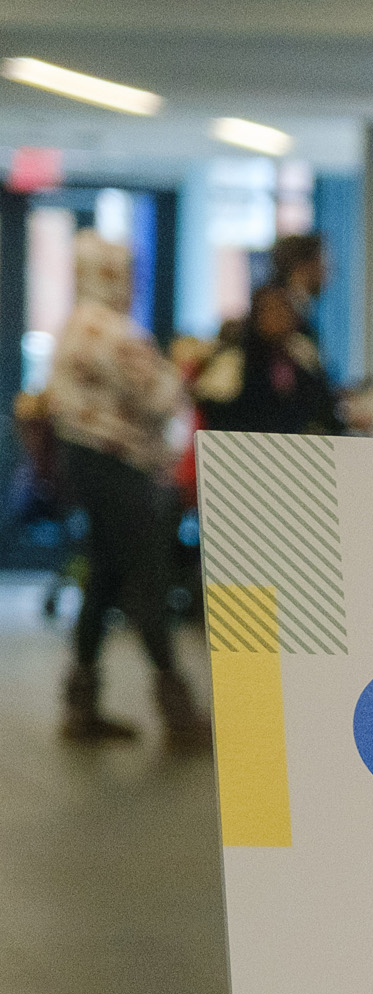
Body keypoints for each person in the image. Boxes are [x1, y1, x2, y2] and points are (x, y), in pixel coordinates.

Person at [44, 232, 208, 748]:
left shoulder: (73, 326)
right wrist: (184, 369)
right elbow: (162, 398)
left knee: (106, 576)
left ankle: (82, 704)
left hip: (84, 460)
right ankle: (178, 711)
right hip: (119, 466)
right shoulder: (114, 332)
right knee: (145, 579)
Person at [194, 283, 343, 436]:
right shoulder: (234, 360)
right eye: (269, 310)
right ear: (255, 316)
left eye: (284, 308)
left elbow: (325, 410)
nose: (279, 316)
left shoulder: (304, 354)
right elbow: (216, 414)